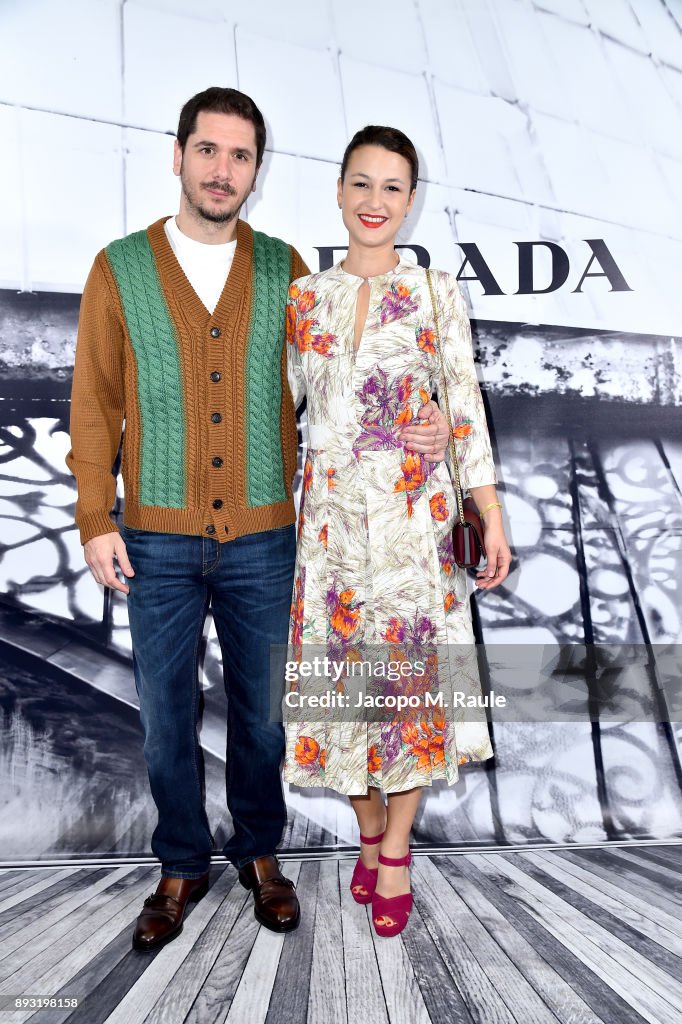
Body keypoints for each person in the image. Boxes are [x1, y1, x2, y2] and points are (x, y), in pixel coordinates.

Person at [66, 91, 451, 951]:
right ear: (177, 156)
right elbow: (91, 401)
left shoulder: (286, 273)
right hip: (155, 534)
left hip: (267, 532)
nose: (220, 170)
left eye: (239, 157)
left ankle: (259, 855)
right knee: (165, 713)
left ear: (256, 171)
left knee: (265, 714)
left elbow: (351, 374)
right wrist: (97, 514)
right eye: (207, 151)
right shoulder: (120, 265)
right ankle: (179, 865)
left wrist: (425, 419)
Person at [283, 126, 512, 938]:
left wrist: (488, 510)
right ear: (339, 192)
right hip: (332, 535)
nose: (375, 201)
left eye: (392, 188)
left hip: (416, 523)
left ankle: (397, 850)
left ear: (411, 203)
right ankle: (369, 829)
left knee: (412, 697)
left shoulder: (436, 290)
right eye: (362, 184)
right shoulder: (303, 297)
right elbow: (282, 416)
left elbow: (464, 406)